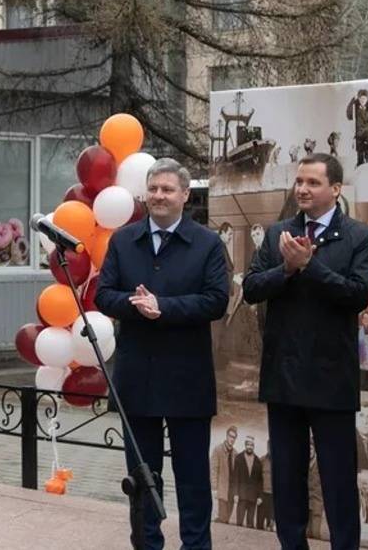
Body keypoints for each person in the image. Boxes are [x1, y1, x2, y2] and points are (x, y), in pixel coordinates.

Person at [242, 153, 368, 550]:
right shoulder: (278, 233)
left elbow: (356, 295)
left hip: (331, 376)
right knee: (287, 476)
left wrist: (310, 266)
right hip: (283, 375)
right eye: (299, 181)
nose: (302, 188)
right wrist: (285, 269)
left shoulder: (359, 236)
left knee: (336, 479)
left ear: (335, 189)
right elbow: (251, 288)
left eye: (313, 183)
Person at [96, 158, 230, 550]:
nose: (159, 196)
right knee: (141, 477)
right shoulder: (124, 240)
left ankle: (195, 545)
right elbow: (104, 294)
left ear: (185, 196)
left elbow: (216, 301)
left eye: (168, 189)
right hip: (137, 377)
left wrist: (165, 308)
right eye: (153, 188)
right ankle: (147, 543)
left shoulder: (206, 242)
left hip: (187, 378)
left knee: (192, 477)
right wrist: (133, 305)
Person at [211, 427, 239, 524]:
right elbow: (213, 470)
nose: (232, 439)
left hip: (231, 491)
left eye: (234, 437)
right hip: (222, 489)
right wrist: (214, 488)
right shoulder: (217, 450)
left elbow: (236, 475)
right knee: (223, 518)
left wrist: (236, 492)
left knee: (226, 519)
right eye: (230, 436)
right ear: (227, 436)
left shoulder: (235, 453)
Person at [235, 436, 264, 527]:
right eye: (248, 444)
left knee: (250, 525)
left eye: (251, 445)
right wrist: (236, 494)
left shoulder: (258, 461)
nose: (249, 447)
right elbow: (235, 478)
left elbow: (260, 481)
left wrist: (259, 496)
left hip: (253, 497)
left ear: (253, 446)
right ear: (245, 445)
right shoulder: (238, 458)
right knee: (239, 523)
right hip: (242, 496)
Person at [346, 90, 368, 166]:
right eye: (361, 98)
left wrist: (363, 129)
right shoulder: (356, 109)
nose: (362, 100)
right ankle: (360, 164)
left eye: (364, 99)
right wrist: (351, 102)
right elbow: (349, 115)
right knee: (360, 153)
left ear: (367, 99)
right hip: (358, 134)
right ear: (358, 99)